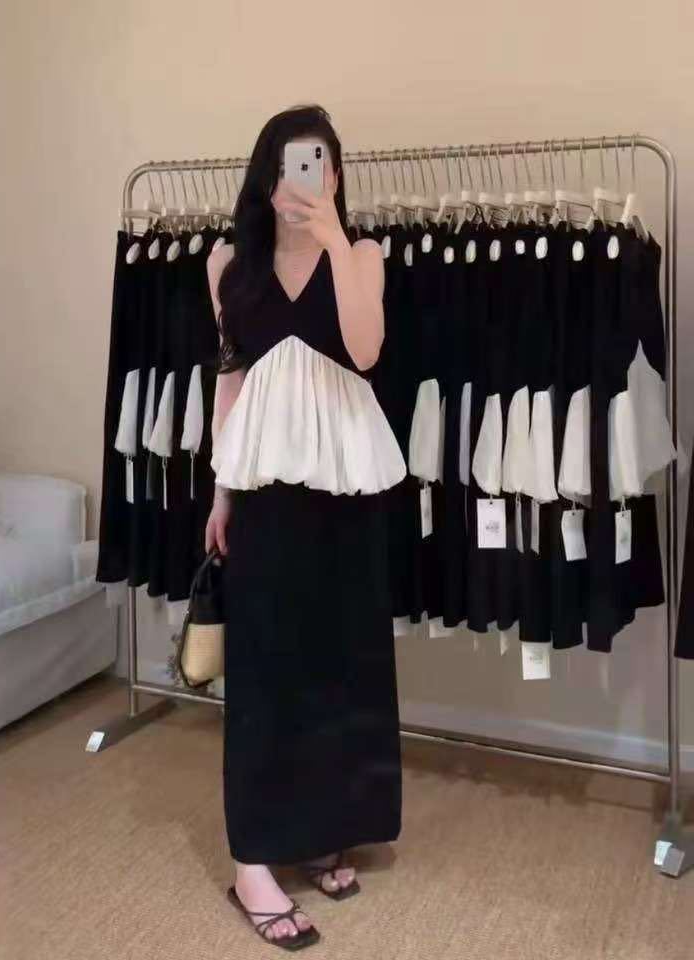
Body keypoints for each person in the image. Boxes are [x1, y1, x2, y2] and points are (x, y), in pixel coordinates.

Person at [205, 104, 406, 949]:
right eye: (289, 165)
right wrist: (220, 494)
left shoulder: (363, 256)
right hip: (262, 495)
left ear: (335, 174)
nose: (303, 179)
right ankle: (253, 857)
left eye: (318, 163)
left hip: (345, 491)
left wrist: (332, 239)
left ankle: (323, 829)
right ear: (265, 177)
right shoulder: (227, 266)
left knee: (339, 663)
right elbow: (229, 378)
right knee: (263, 669)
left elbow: (366, 351)